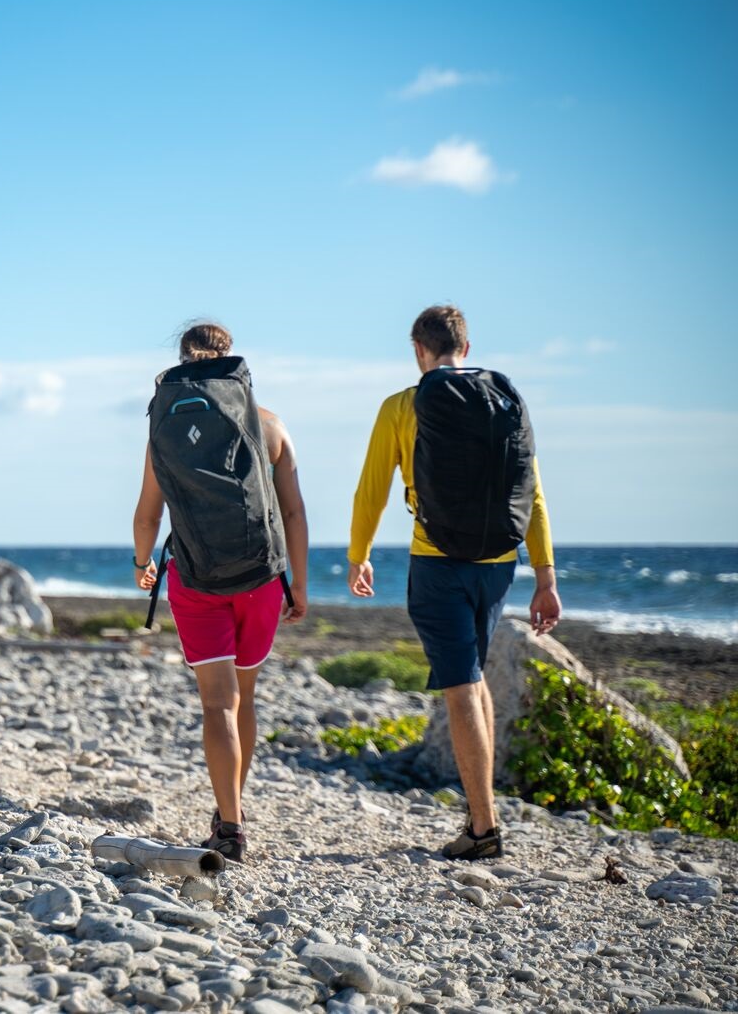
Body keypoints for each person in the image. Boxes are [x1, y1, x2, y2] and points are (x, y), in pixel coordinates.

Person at [348, 305, 562, 861]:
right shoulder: (504, 401)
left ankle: (484, 829)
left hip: (437, 560)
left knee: (461, 684)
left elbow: (371, 488)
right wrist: (546, 577)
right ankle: (479, 813)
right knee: (475, 676)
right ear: (465, 347)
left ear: (419, 350)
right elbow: (532, 495)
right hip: (499, 561)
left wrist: (359, 555)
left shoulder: (403, 405)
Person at [132, 321, 309, 863]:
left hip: (193, 576)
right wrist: (298, 583)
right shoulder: (272, 426)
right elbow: (295, 511)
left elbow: (148, 513)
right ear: (233, 362)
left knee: (216, 704)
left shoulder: (163, 426)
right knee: (244, 698)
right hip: (260, 578)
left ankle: (229, 824)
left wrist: (144, 563)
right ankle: (232, 808)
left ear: (184, 362)